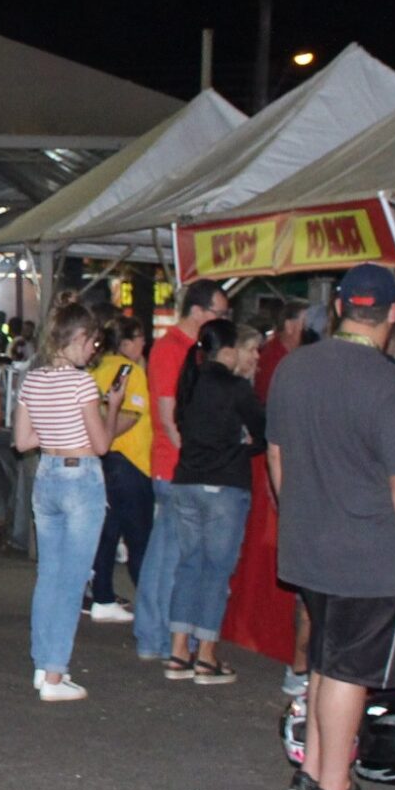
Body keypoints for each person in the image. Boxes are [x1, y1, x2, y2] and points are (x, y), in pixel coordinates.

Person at [267, 264, 395, 790]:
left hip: (308, 541)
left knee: (323, 662)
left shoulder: (294, 369)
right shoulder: (393, 385)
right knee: (348, 672)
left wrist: (299, 514)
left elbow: (277, 456)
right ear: (393, 312)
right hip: (366, 550)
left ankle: (313, 773)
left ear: (340, 306)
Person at [13, 303, 122, 702]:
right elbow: (102, 444)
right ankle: (56, 675)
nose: (93, 350)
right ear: (77, 339)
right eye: (92, 342)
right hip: (82, 476)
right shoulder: (82, 384)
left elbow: (22, 441)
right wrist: (112, 407)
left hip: (47, 475)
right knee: (73, 580)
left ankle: (44, 666)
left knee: (49, 576)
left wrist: (54, 430)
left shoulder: (32, 380)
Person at [156, 319, 266, 684]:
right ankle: (206, 655)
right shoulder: (236, 388)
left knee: (188, 565)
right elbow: (264, 429)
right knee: (216, 572)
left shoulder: (190, 383)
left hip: (186, 482)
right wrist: (246, 444)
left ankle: (177, 650)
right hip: (224, 486)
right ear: (230, 350)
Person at [138, 282, 231, 663]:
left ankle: (159, 636)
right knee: (169, 559)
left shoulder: (190, 351)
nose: (223, 320)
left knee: (173, 557)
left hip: (181, 465)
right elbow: (167, 412)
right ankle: (157, 637)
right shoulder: (170, 349)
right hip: (173, 467)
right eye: (219, 313)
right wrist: (195, 459)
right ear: (198, 311)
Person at [86, 317, 151, 625]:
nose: (143, 345)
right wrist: (107, 435)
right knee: (139, 539)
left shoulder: (93, 370)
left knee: (108, 534)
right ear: (124, 343)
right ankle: (150, 610)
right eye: (138, 338)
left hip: (104, 462)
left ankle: (102, 595)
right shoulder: (130, 371)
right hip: (130, 462)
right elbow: (131, 414)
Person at [255, 297, 305, 402]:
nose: (310, 331)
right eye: (305, 325)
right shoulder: (272, 359)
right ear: (289, 326)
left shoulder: (296, 356)